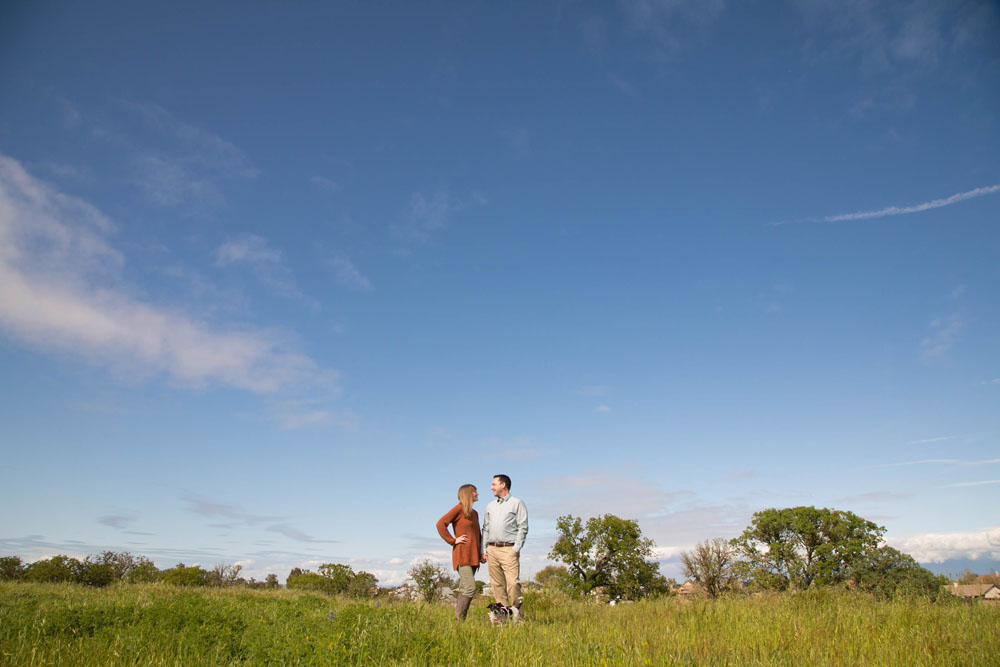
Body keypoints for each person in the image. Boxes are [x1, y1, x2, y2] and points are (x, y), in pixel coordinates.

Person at [480, 474, 528, 617]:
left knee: (513, 584)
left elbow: (523, 527)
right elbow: (486, 529)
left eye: (494, 484)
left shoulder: (517, 503)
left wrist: (516, 548)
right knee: (497, 586)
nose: (491, 487)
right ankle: (502, 618)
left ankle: (518, 617)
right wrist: (484, 550)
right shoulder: (490, 506)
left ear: (503, 485)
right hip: (492, 549)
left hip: (509, 549)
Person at [436, 483, 482, 621]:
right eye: (475, 492)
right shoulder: (458, 509)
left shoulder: (474, 513)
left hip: (473, 556)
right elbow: (440, 524)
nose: (477, 494)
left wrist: (481, 553)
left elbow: (477, 535)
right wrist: (453, 540)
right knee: (470, 588)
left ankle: (459, 622)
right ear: (468, 494)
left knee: (464, 588)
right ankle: (459, 620)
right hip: (462, 555)